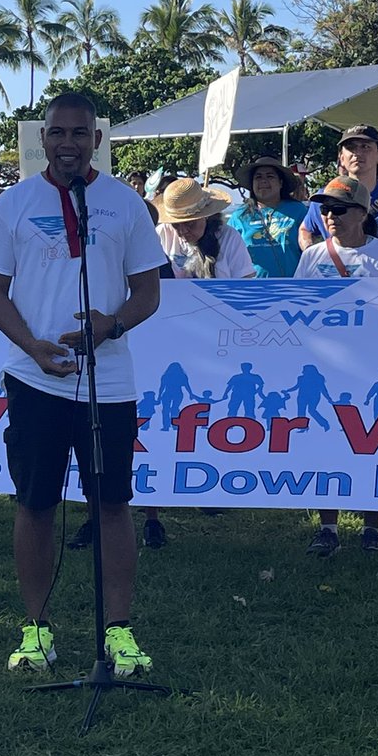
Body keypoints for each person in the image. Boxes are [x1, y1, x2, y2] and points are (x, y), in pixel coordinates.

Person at [0, 92, 165, 676]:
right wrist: (32, 346)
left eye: (80, 134)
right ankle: (36, 629)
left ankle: (118, 631)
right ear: (43, 140)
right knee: (34, 503)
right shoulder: (13, 203)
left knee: (112, 505)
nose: (68, 144)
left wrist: (112, 326)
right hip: (35, 380)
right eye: (57, 133)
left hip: (109, 383)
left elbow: (148, 292)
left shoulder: (126, 203)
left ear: (96, 140)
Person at [295, 176, 378, 556]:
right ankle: (327, 528)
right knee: (328, 444)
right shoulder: (312, 256)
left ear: (360, 213)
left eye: (339, 209)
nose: (329, 216)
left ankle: (372, 528)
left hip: (373, 367)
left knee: (375, 443)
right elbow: (295, 308)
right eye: (324, 210)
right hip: (327, 366)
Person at [143, 179, 254, 548]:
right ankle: (152, 510)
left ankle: (206, 484)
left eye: (190, 223)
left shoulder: (230, 240)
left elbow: (247, 291)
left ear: (209, 216)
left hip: (215, 346)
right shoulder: (161, 236)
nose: (184, 230)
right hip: (165, 343)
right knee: (161, 418)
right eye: (178, 223)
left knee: (207, 415)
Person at [298, 125, 378, 277]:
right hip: (331, 293)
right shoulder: (323, 198)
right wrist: (312, 254)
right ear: (341, 157)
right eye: (351, 147)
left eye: (365, 147)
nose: (357, 153)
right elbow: (304, 229)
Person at [156, 178, 256, 280]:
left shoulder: (228, 237)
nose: (183, 231)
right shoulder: (162, 233)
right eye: (176, 225)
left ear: (205, 217)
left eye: (190, 224)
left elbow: (244, 281)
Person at [228, 156, 308, 277]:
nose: (263, 181)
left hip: (294, 287)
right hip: (252, 290)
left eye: (270, 176)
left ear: (281, 183)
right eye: (258, 177)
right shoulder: (239, 216)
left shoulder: (298, 210)